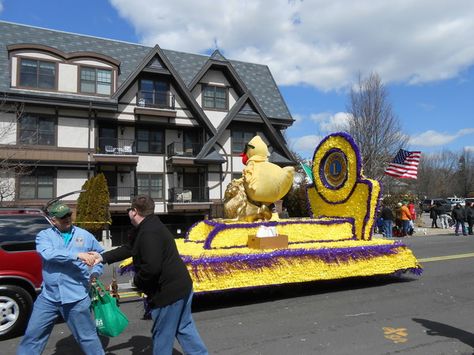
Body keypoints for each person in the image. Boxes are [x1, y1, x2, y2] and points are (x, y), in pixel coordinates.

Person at [92, 195, 208, 355]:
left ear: (134, 211)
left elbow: (151, 268)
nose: (128, 213)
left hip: (168, 293)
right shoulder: (149, 226)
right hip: (182, 286)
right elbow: (129, 248)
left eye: (129, 210)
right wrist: (103, 257)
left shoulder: (148, 232)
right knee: (184, 327)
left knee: (162, 334)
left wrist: (137, 282)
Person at [17, 202, 104, 355]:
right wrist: (76, 255)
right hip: (48, 297)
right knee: (33, 336)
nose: (67, 218)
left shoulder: (85, 235)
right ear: (53, 220)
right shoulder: (44, 236)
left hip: (77, 297)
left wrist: (95, 273)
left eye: (68, 215)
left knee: (87, 338)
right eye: (62, 216)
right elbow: (48, 253)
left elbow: (100, 256)